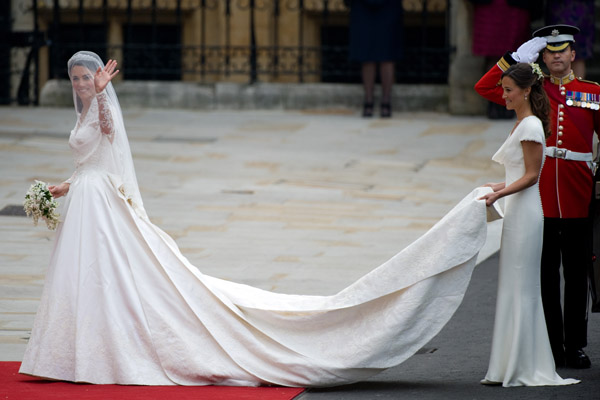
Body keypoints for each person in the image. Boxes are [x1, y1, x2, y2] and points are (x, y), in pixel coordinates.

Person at [19, 51, 502, 386]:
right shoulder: (79, 113)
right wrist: (65, 185)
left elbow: (108, 134)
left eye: (88, 78)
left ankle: (106, 349)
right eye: (78, 80)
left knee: (113, 277)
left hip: (103, 209)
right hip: (87, 198)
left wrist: (104, 95)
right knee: (87, 278)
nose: (82, 84)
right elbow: (92, 158)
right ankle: (75, 349)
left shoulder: (99, 107)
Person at [474, 24, 600, 370]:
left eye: (563, 50)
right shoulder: (535, 89)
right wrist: (513, 59)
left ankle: (574, 344)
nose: (557, 56)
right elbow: (486, 88)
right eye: (550, 51)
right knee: (543, 273)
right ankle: (551, 344)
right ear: (542, 57)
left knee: (576, 276)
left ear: (573, 54)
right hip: (540, 194)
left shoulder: (592, 92)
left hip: (577, 193)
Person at [476, 62, 578, 387]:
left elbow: (533, 176)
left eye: (508, 90)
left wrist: (500, 194)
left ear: (526, 90)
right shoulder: (522, 123)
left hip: (526, 211)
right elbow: (517, 172)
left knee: (523, 286)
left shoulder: (531, 125)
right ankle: (508, 363)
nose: (503, 95)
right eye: (503, 89)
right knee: (512, 284)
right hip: (517, 209)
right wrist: (497, 186)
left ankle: (524, 364)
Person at [470, 0, 540, 119]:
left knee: (515, 55)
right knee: (492, 54)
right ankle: (494, 104)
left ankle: (512, 103)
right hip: (491, 7)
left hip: (514, 8)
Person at [346, 0, 403, 118]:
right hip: (362, 7)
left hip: (389, 6)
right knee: (366, 53)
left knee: (387, 52)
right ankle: (368, 99)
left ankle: (386, 100)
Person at [545, 0, 595, 78]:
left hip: (579, 7)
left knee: (578, 52)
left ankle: (577, 88)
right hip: (560, 7)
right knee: (555, 47)